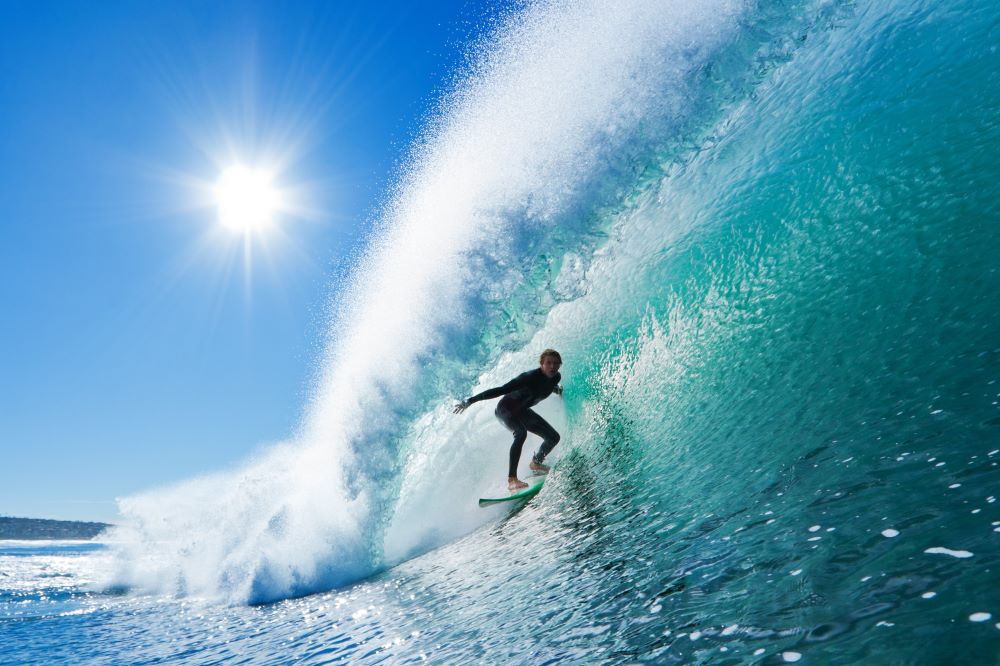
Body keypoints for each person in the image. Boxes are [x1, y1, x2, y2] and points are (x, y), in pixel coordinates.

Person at [454, 349, 564, 491]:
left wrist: (558, 391)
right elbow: (501, 389)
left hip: (522, 411)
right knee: (521, 433)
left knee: (553, 437)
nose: (552, 366)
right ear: (541, 364)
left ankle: (536, 463)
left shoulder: (555, 378)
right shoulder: (528, 377)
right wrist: (470, 401)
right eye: (548, 363)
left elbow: (546, 386)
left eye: (556, 363)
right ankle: (512, 480)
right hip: (505, 410)